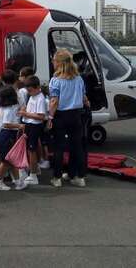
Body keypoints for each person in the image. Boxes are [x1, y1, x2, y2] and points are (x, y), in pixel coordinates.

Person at [48, 49, 90, 188]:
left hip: (61, 115)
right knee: (76, 146)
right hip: (76, 115)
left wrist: (49, 117)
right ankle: (78, 176)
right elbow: (84, 99)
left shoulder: (56, 81)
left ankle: (57, 177)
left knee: (59, 147)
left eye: (54, 60)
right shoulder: (79, 79)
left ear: (59, 63)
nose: (53, 62)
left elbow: (54, 101)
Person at [0, 87, 27, 191]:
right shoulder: (9, 109)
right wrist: (20, 126)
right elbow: (6, 124)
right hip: (8, 134)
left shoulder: (5, 107)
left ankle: (18, 182)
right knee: (6, 160)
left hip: (6, 134)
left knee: (11, 159)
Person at [18, 75, 47, 185]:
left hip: (34, 126)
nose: (29, 92)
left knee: (32, 150)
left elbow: (41, 116)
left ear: (37, 87)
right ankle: (35, 169)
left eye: (31, 90)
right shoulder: (33, 96)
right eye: (28, 90)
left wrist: (26, 114)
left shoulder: (40, 98)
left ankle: (33, 175)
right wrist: (25, 110)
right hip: (29, 124)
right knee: (29, 149)